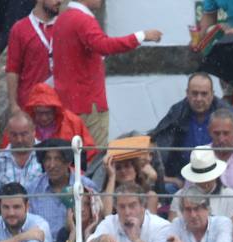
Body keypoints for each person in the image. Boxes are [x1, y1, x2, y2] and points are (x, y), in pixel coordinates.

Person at [52, 3, 160, 146]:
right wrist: (141, 36)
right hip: (88, 103)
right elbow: (103, 46)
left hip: (68, 102)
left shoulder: (62, 19)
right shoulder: (82, 19)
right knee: (94, 158)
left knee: (71, 157)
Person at [151, 73, 233, 184]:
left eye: (204, 94)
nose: (199, 99)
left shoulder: (227, 113)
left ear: (212, 94)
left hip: (220, 177)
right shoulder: (177, 112)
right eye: (195, 93)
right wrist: (171, 179)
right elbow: (158, 145)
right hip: (181, 178)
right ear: (187, 94)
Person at [28, 138, 100, 242]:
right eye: (47, 159)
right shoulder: (33, 189)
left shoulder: (85, 185)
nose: (52, 165)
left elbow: (98, 219)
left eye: (58, 159)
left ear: (68, 161)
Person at [6, 0, 63, 114]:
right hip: (31, 106)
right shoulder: (19, 29)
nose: (59, 1)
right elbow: (13, 69)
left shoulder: (65, 26)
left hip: (60, 105)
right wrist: (13, 104)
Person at [87, 180, 168, 242]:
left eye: (132, 206)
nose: (127, 212)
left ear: (143, 206)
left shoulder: (160, 226)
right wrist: (100, 241)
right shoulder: (110, 222)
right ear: (116, 207)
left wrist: (136, 240)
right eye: (122, 207)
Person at [161, 187, 233, 242]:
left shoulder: (223, 222)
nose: (193, 215)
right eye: (188, 209)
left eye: (197, 209)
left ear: (208, 209)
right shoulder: (177, 223)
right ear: (182, 212)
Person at [0, 112, 44, 196]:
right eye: (14, 135)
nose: (19, 140)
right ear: (7, 134)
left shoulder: (47, 155)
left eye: (24, 134)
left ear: (33, 131)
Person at [179, 146, 233, 221]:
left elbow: (230, 230)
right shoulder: (180, 196)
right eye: (200, 179)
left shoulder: (230, 196)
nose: (205, 182)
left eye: (208, 178)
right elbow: (174, 228)